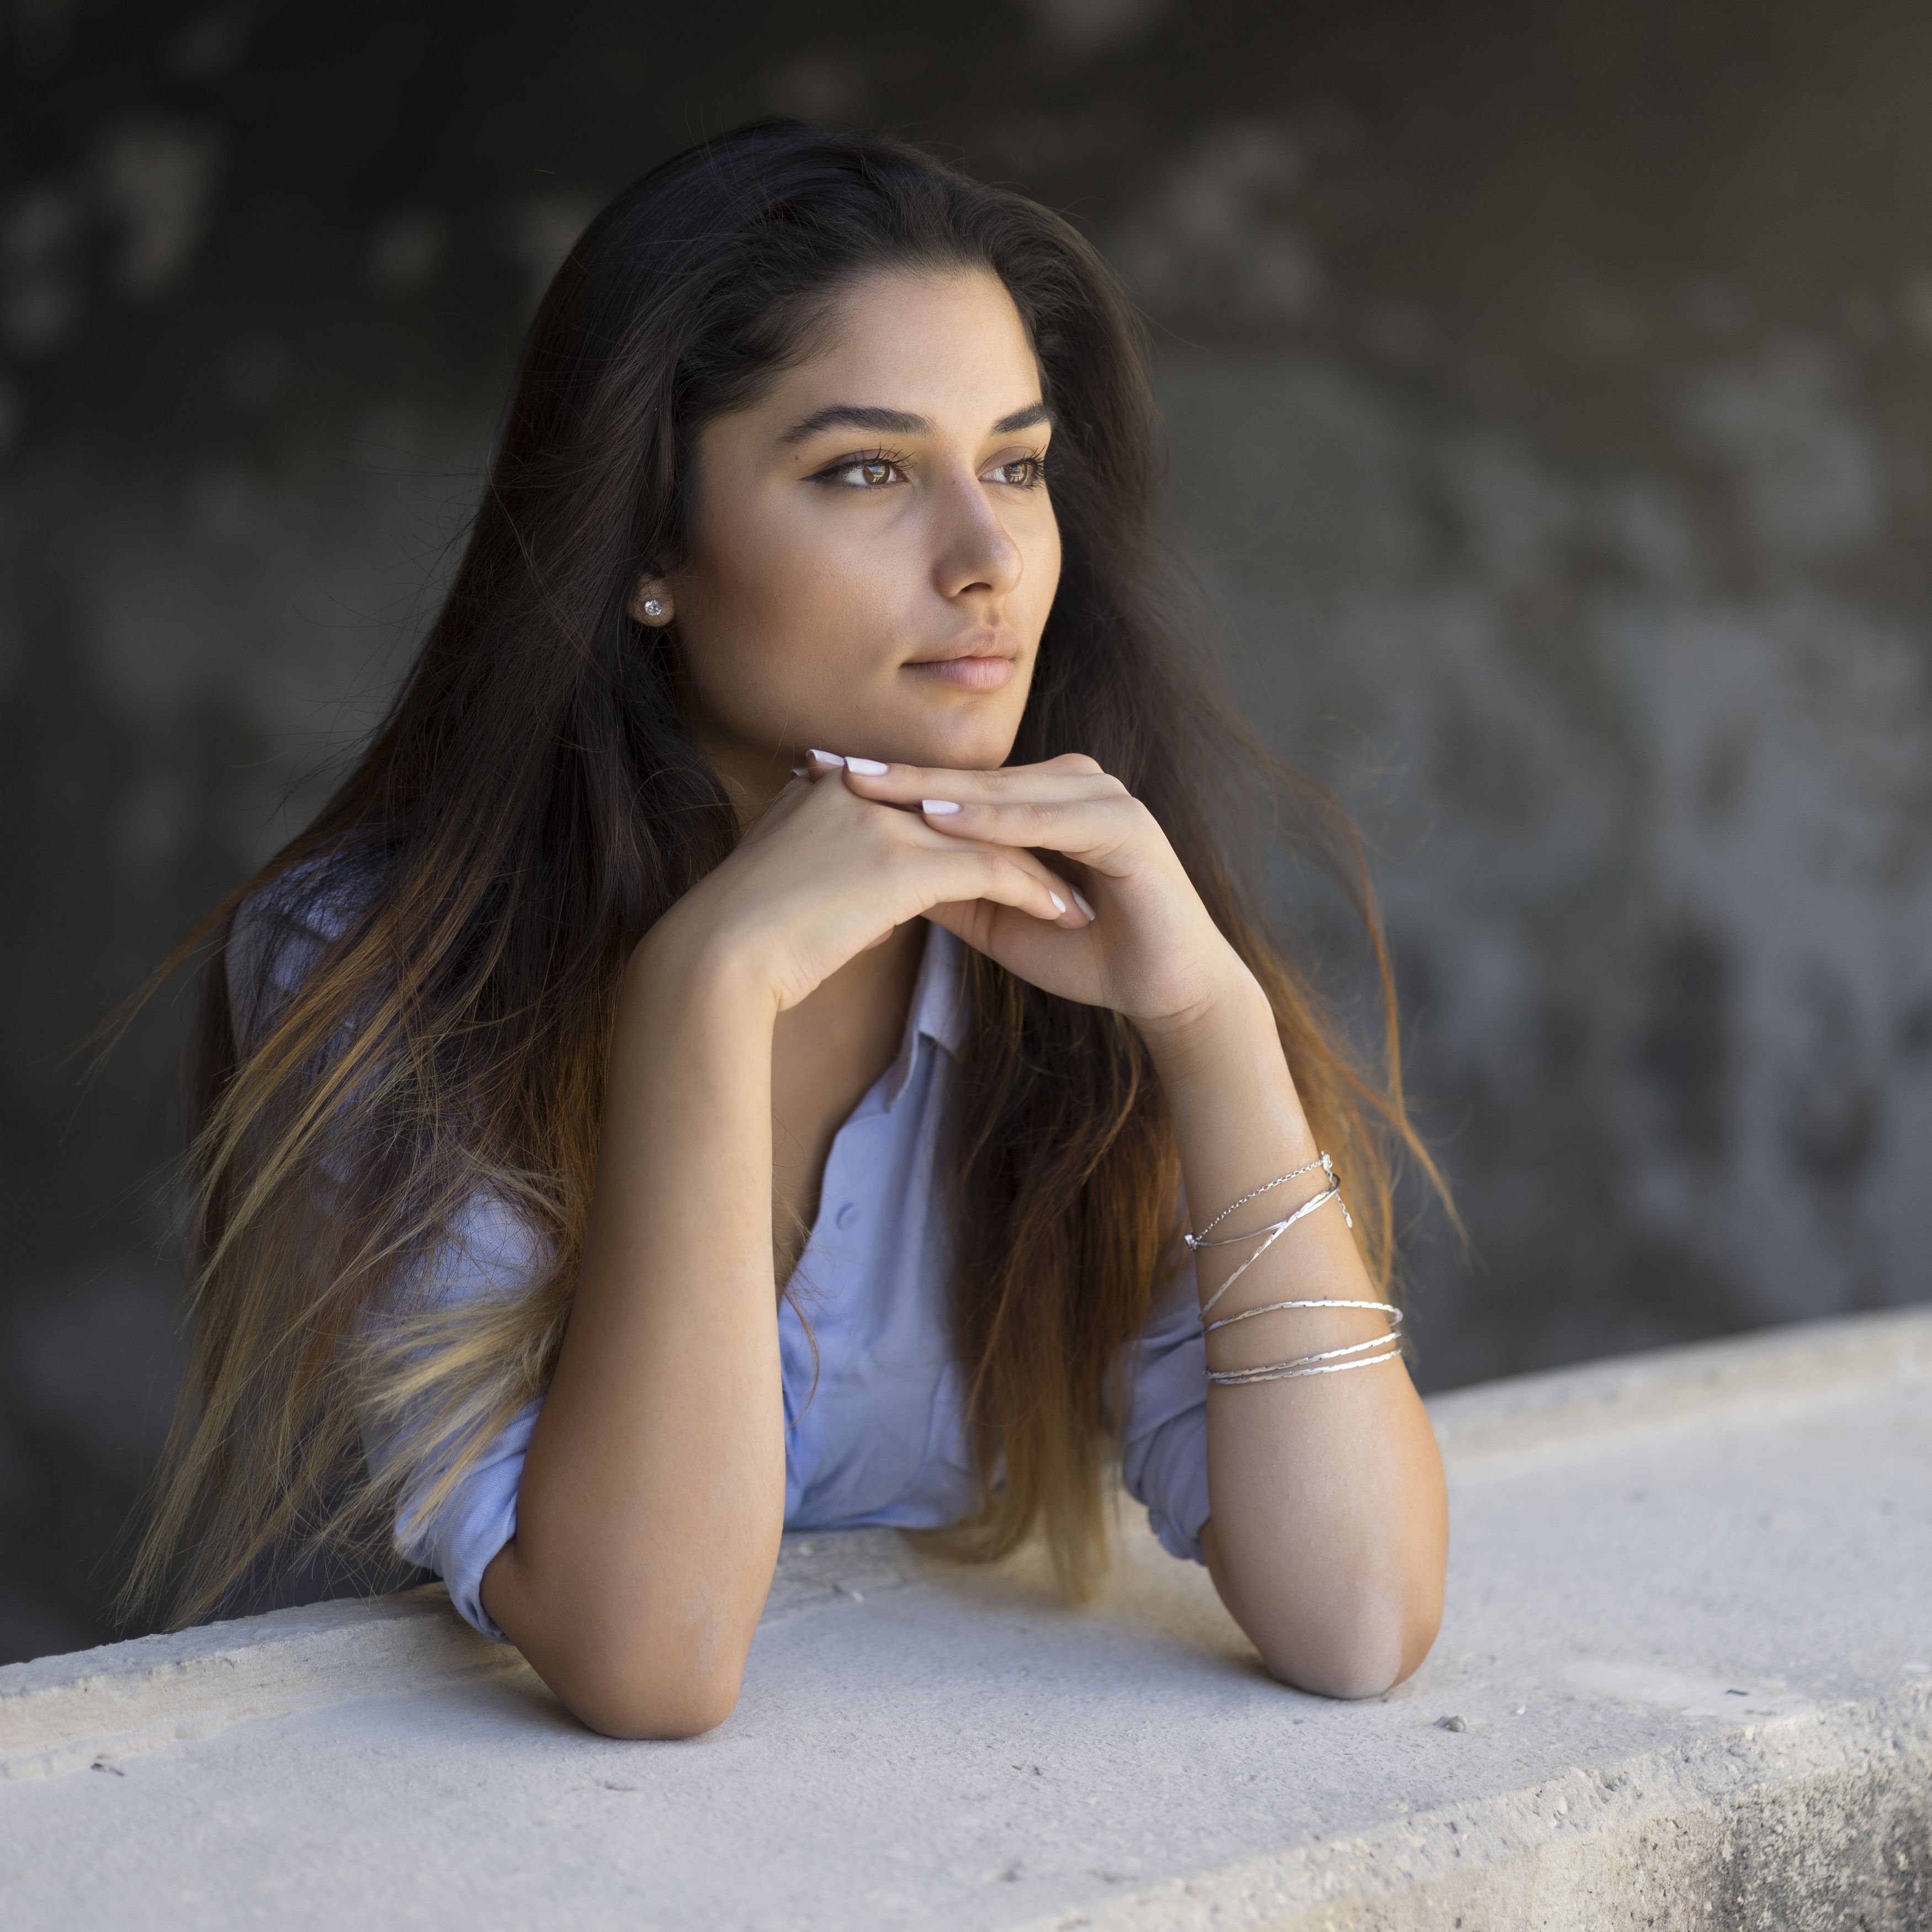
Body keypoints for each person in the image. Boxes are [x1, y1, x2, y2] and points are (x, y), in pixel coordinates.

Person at [125, 121, 1449, 1739]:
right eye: (866, 472)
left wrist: (1212, 1030)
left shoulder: (1081, 947)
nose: (986, 564)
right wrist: (703, 987)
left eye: (1017, 466)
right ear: (651, 553)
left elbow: (1359, 1613)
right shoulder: (381, 966)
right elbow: (647, 1658)